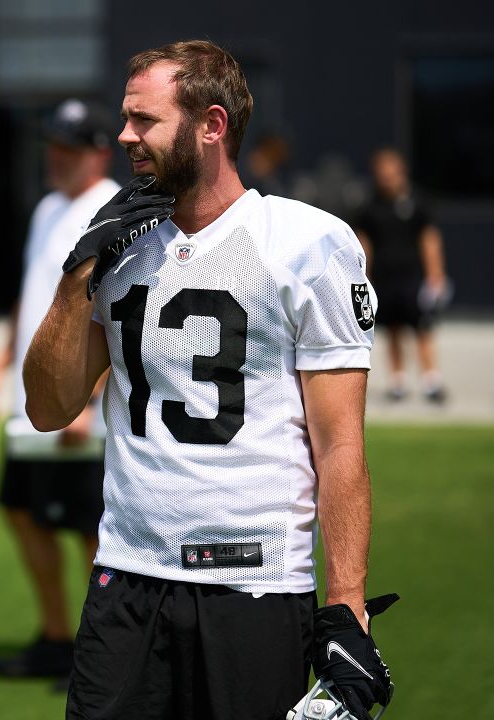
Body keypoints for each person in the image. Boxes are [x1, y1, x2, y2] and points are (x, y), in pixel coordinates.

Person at [23, 40, 396, 720]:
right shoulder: (114, 243)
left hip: (253, 585)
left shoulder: (307, 242)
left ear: (211, 125)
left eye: (144, 120)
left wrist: (346, 603)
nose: (124, 136)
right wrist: (77, 274)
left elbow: (339, 443)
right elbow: (48, 409)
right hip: (126, 578)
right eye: (125, 118)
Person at [0, 99, 119, 685]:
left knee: (92, 530)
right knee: (20, 510)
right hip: (33, 400)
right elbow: (31, 291)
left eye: (68, 148)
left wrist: (90, 399)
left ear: (97, 152)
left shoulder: (112, 209)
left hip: (79, 406)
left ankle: (102, 653)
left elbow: (121, 311)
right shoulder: (46, 210)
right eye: (52, 146)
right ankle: (57, 636)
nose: (55, 157)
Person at [354, 147, 449, 403]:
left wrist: (435, 275)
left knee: (422, 328)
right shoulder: (370, 206)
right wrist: (364, 277)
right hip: (385, 279)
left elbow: (429, 240)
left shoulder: (418, 202)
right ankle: (398, 381)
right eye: (381, 173)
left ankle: (431, 380)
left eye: (391, 173)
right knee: (392, 329)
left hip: (414, 278)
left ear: (400, 171)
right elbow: (364, 244)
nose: (387, 178)